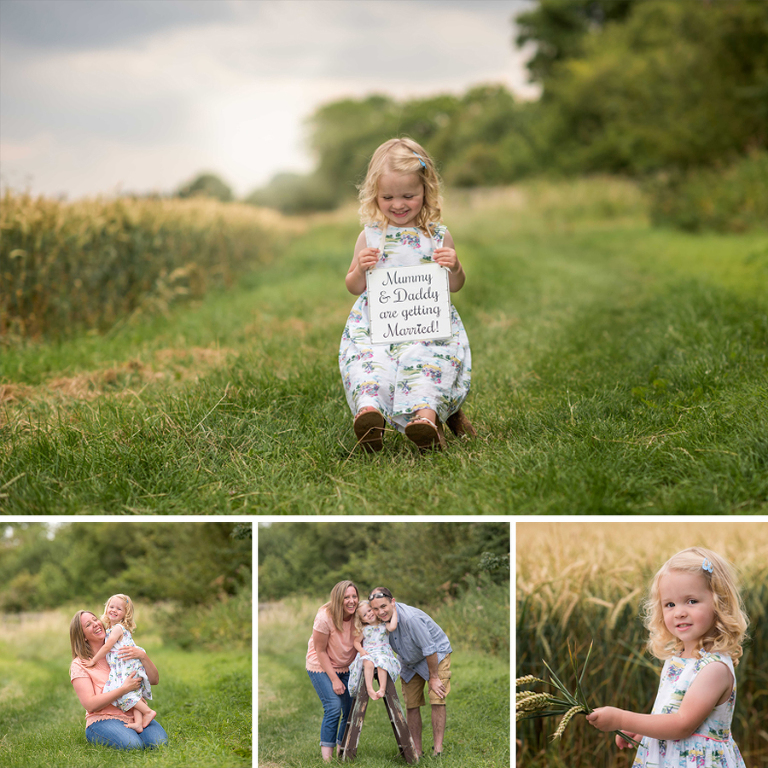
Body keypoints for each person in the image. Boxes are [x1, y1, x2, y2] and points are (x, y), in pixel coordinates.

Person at [339, 136, 472, 452]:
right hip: (378, 327)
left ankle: (424, 420)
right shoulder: (371, 236)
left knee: (429, 362)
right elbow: (353, 285)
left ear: (426, 191)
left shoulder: (437, 236)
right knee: (369, 363)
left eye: (408, 195)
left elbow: (455, 285)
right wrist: (360, 268)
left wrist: (454, 266)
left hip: (427, 328)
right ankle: (370, 415)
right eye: (388, 197)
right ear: (375, 195)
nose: (398, 204)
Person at [586, 547, 748, 767]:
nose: (679, 612)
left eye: (691, 601)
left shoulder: (714, 669)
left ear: (720, 603)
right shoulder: (677, 659)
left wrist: (622, 719)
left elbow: (682, 724)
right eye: (670, 604)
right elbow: (670, 713)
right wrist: (643, 730)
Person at [368, 586, 452, 758]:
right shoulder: (378, 621)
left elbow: (429, 648)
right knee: (412, 704)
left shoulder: (410, 619)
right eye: (376, 608)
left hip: (435, 654)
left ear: (392, 602)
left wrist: (434, 677)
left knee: (437, 698)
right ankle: (417, 751)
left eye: (383, 606)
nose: (380, 612)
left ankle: (438, 750)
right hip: (408, 660)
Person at [69, 610, 168, 751]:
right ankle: (105, 734)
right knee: (133, 746)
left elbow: (154, 680)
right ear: (82, 636)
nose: (96, 624)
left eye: (95, 619)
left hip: (134, 715)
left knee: (159, 744)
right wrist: (123, 689)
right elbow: (90, 705)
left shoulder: (120, 649)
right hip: (103, 719)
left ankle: (136, 729)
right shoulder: (80, 664)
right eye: (88, 625)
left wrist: (143, 656)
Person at [83, 594, 156, 732]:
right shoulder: (112, 629)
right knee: (132, 693)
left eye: (119, 609)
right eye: (111, 607)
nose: (114, 610)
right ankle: (139, 723)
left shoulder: (117, 628)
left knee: (122, 691)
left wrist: (93, 660)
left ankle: (147, 712)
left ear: (125, 614)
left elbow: (107, 647)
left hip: (128, 666)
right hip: (128, 665)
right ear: (106, 608)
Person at [306, 581, 360, 762]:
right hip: (322, 665)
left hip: (347, 666)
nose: (351, 601)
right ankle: (327, 761)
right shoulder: (324, 617)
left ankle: (341, 751)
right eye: (346, 597)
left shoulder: (359, 614)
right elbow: (320, 651)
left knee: (349, 709)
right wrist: (335, 680)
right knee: (333, 707)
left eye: (354, 596)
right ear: (338, 599)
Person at [347, 599, 400, 700]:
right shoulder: (365, 629)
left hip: (382, 652)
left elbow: (393, 627)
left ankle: (382, 689)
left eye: (369, 610)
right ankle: (369, 688)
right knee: (368, 663)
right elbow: (356, 642)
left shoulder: (384, 625)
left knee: (382, 663)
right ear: (362, 620)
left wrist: (394, 610)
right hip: (369, 653)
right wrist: (361, 651)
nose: (368, 614)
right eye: (364, 615)